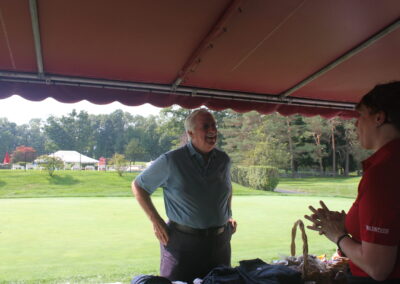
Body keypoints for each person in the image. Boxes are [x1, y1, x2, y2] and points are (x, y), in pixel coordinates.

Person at [305, 81, 400, 283]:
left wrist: (338, 235)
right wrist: (348, 224)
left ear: (379, 117)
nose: (356, 124)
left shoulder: (384, 172)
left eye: (360, 116)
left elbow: (378, 267)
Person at [131, 108, 237, 283]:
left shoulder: (223, 160)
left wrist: (228, 215)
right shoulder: (171, 160)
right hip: (182, 245)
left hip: (219, 244)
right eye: (206, 126)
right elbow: (138, 186)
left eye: (214, 125)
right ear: (190, 133)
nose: (213, 130)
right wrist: (156, 222)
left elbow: (227, 188)